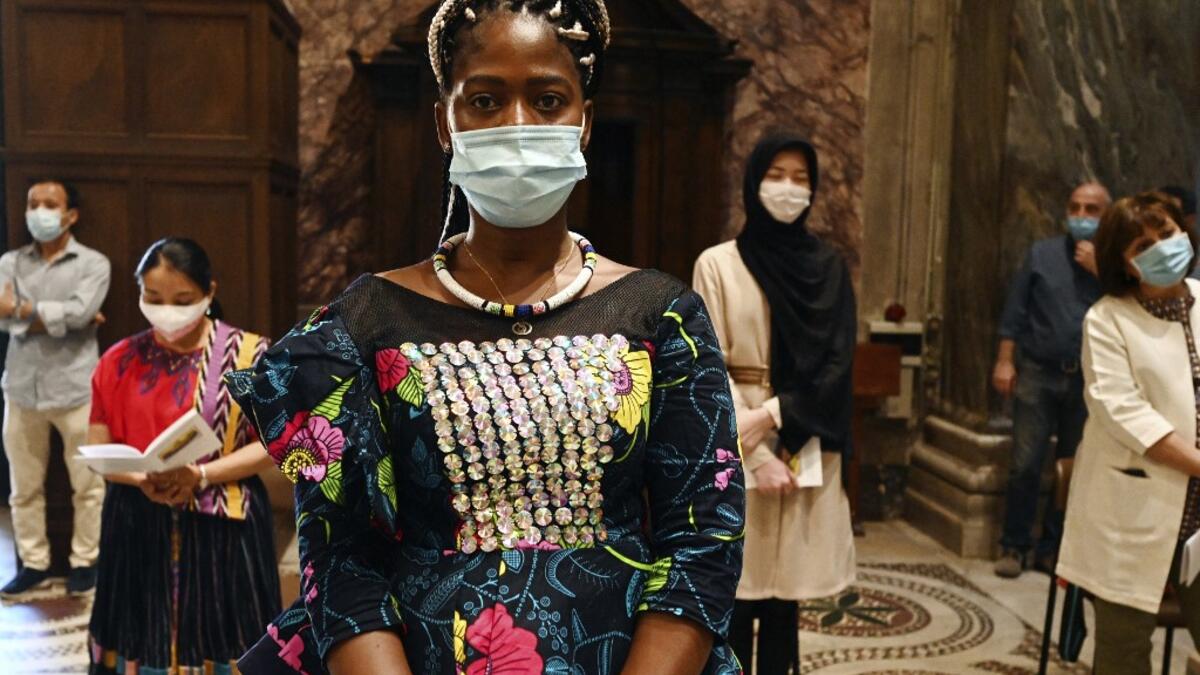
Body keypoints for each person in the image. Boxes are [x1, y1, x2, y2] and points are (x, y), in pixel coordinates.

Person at [230, 1, 744, 674]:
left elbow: (701, 540)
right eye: (485, 100)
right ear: (446, 121)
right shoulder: (360, 326)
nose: (518, 125)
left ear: (584, 123)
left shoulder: (661, 315)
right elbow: (340, 560)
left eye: (548, 98)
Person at [693, 133, 857, 674]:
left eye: (801, 178)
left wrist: (772, 419)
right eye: (777, 174)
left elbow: (836, 361)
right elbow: (707, 361)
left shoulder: (827, 268)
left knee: (787, 599)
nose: (788, 188)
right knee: (737, 594)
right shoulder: (718, 264)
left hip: (799, 436)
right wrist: (756, 454)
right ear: (753, 180)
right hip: (738, 444)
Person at [87, 238, 280, 673]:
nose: (166, 311)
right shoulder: (119, 360)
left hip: (224, 525)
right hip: (137, 518)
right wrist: (142, 479)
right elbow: (98, 444)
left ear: (209, 292)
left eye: (183, 300)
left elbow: (271, 442)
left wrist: (200, 475)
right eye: (152, 299)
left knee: (228, 636)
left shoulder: (252, 356)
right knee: (141, 631)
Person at [1057, 191, 1200, 674]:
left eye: (1166, 234)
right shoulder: (1107, 320)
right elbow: (1126, 414)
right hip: (1132, 509)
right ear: (1123, 262)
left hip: (1199, 517)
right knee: (1123, 654)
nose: (1161, 247)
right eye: (1142, 245)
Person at [992, 181, 1109, 578]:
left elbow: (1130, 310)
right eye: (1075, 207)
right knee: (1025, 463)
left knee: (1073, 468)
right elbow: (1015, 312)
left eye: (1091, 210)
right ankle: (1014, 544)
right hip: (1038, 374)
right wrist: (1005, 362)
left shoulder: (1115, 264)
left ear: (1107, 216)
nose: (1081, 216)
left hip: (1089, 381)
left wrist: (1102, 269)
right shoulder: (1041, 255)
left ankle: (1054, 547)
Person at [0, 179, 110, 599]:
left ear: (70, 215)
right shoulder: (10, 262)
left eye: (49, 203)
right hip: (21, 388)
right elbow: (3, 318)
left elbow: (81, 314)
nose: (39, 211)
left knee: (88, 485)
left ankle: (86, 562)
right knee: (23, 487)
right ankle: (34, 564)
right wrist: (62, 317)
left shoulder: (93, 263)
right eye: (32, 203)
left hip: (76, 388)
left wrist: (23, 311)